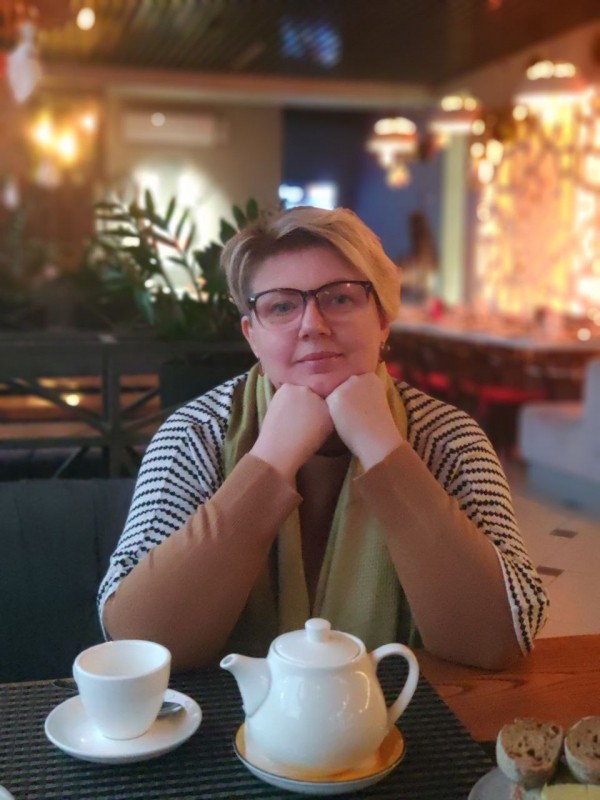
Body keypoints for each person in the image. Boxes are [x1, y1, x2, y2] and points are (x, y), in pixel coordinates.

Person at [98, 205, 548, 672]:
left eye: (340, 298)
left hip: (405, 706)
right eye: (281, 306)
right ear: (252, 335)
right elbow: (136, 639)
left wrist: (384, 449)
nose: (313, 324)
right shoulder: (197, 432)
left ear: (383, 320)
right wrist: (269, 461)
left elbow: (506, 633)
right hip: (229, 711)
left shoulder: (449, 436)